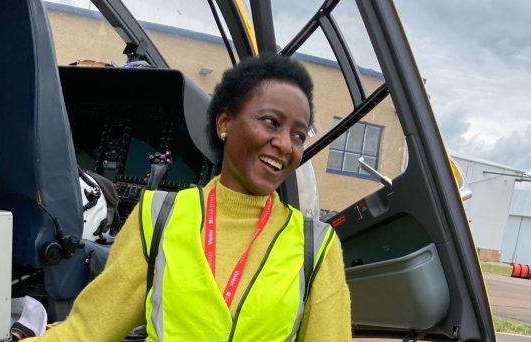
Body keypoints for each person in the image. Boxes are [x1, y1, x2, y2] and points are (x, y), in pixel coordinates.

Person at [31, 53, 351, 341]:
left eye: (298, 134)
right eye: (271, 122)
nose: (285, 144)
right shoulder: (158, 217)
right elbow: (87, 330)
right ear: (224, 123)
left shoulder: (316, 245)